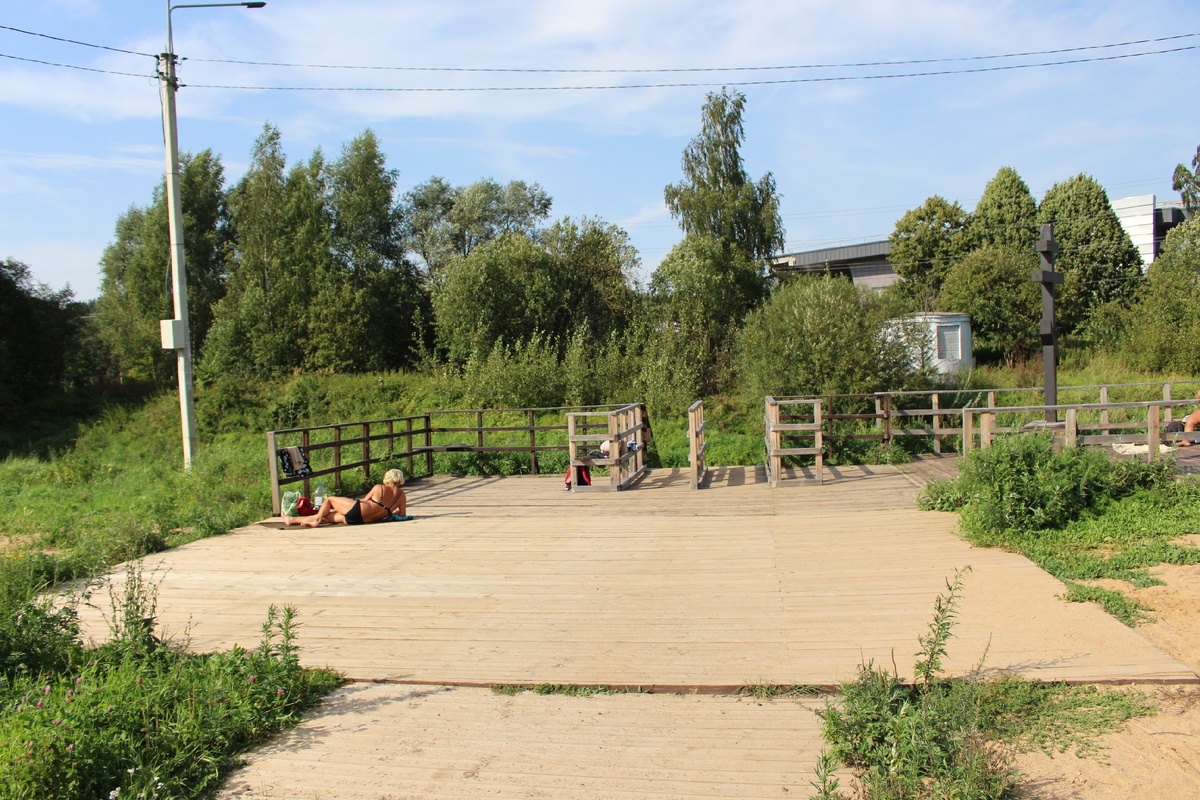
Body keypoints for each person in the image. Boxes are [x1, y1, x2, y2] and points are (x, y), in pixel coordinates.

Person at [284, 468, 406, 526]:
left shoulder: (379, 488)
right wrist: (391, 511)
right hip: (360, 520)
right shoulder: (401, 495)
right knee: (326, 516)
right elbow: (402, 515)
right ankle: (292, 520)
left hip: (358, 510)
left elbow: (364, 501)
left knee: (329, 500)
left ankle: (316, 520)